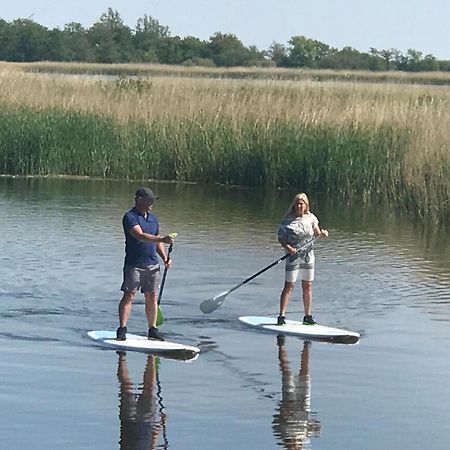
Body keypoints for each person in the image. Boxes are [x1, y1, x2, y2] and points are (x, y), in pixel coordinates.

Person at [117, 187, 173, 341]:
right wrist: (162, 239)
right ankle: (122, 329)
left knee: (152, 296)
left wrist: (165, 257)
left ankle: (152, 329)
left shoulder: (153, 218)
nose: (151, 203)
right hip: (134, 263)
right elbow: (140, 236)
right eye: (149, 200)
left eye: (152, 200)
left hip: (152, 264)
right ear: (139, 199)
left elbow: (156, 240)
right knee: (129, 295)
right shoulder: (130, 217)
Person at [277, 193, 328, 326]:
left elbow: (317, 232)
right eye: (297, 203)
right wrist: (288, 248)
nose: (300, 206)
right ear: (294, 205)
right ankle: (281, 316)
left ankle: (307, 316)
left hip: (308, 257)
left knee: (308, 286)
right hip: (293, 257)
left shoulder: (311, 218)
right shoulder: (287, 220)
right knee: (289, 286)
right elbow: (281, 238)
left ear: (306, 205)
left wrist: (323, 233)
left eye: (302, 203)